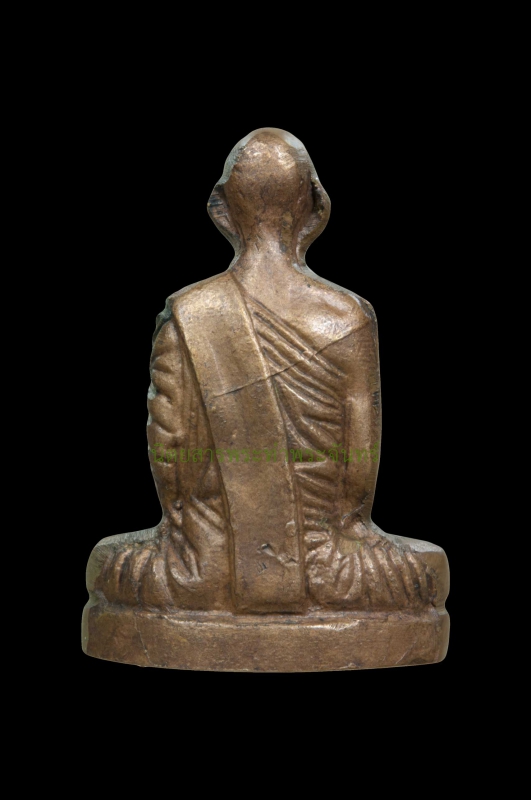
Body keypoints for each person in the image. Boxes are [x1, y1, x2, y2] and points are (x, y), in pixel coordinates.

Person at [88, 128, 448, 615]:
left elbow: (170, 458)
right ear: (315, 207)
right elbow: (358, 476)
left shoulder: (188, 312)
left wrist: (190, 531)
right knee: (425, 572)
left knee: (109, 567)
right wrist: (343, 533)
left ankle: (218, 589)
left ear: (221, 209)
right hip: (326, 568)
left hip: (207, 566)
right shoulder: (348, 317)